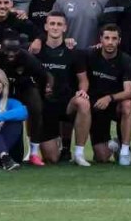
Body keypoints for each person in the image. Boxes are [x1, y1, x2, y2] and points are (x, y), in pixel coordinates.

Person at [0, 35, 50, 165]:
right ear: (1, 48)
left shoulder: (29, 59)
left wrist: (42, 94)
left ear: (20, 49)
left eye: (14, 51)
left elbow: (42, 76)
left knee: (36, 107)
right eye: (8, 51)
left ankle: (34, 152)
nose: (11, 55)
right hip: (0, 89)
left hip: (24, 87)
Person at [35, 12, 92, 166]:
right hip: (45, 106)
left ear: (65, 27)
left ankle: (79, 153)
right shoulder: (36, 51)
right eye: (52, 24)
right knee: (52, 159)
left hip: (67, 103)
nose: (55, 27)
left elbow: (83, 80)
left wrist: (83, 91)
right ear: (46, 26)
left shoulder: (74, 53)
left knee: (83, 103)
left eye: (59, 24)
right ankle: (42, 148)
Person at [81, 25, 131, 165]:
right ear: (101, 39)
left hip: (114, 104)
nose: (110, 42)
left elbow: (129, 92)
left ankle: (124, 150)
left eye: (114, 38)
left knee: (127, 105)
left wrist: (109, 98)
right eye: (107, 38)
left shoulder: (126, 60)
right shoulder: (89, 55)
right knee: (102, 158)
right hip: (96, 107)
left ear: (119, 41)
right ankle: (115, 145)